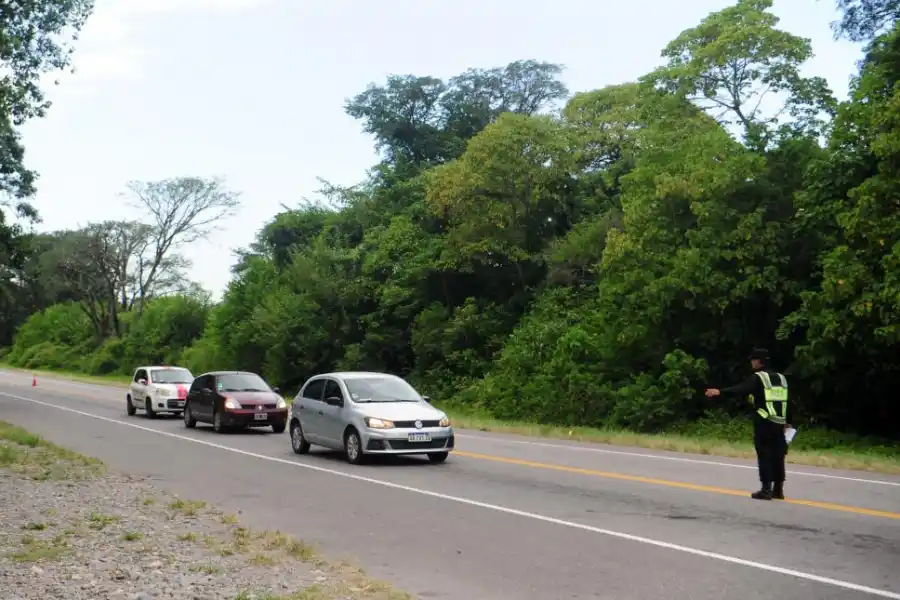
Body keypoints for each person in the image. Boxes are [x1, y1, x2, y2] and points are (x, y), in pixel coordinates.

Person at [705, 348, 789, 501]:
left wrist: (720, 392)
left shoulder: (759, 378)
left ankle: (766, 490)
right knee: (778, 455)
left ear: (760, 361)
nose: (752, 362)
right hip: (780, 423)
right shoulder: (781, 378)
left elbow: (741, 389)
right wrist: (788, 421)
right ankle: (778, 490)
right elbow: (786, 401)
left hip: (764, 422)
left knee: (764, 454)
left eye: (754, 359)